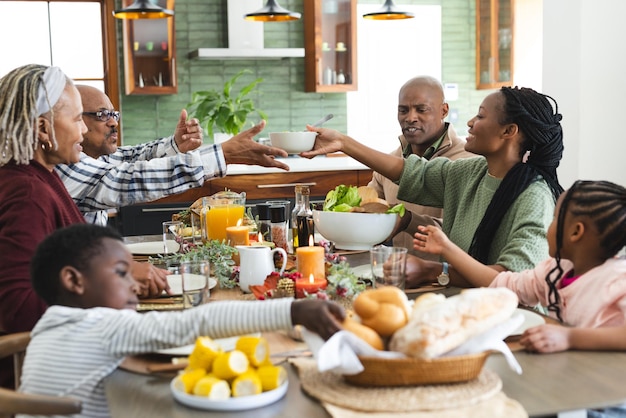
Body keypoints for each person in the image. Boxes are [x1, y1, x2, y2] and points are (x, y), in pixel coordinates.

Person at [19, 223, 345, 417]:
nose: (135, 284)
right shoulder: (99, 326)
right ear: (74, 282)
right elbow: (193, 323)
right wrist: (291, 311)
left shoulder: (52, 326)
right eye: (121, 273)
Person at [303, 86, 565, 289]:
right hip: (466, 307)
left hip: (518, 325)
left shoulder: (533, 197)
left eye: (481, 116)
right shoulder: (473, 172)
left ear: (509, 131)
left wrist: (434, 270)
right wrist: (344, 143)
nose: (471, 122)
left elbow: (512, 281)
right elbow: (411, 172)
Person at [413, 180, 626, 352]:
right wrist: (446, 248)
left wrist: (570, 337)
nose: (548, 228)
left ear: (575, 232)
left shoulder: (618, 279)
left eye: (553, 219)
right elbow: (501, 284)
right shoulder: (553, 271)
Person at [56, 85, 291, 227]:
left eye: (114, 114)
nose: (114, 122)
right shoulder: (63, 167)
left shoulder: (93, 159)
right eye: (102, 114)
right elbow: (128, 178)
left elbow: (130, 158)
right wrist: (223, 154)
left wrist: (175, 145)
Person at [0, 64, 87, 387]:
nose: (85, 131)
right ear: (42, 129)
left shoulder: (38, 176)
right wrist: (104, 294)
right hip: (36, 379)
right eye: (77, 119)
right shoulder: (27, 192)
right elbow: (18, 307)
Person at [367, 76, 474, 260]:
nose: (410, 118)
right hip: (399, 275)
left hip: (450, 280)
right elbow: (365, 211)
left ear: (444, 110)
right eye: (403, 110)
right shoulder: (389, 162)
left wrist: (406, 220)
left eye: (421, 110)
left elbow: (464, 234)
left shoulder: (468, 163)